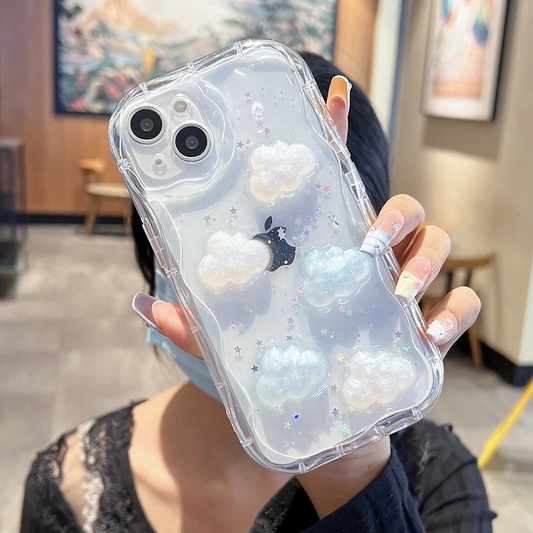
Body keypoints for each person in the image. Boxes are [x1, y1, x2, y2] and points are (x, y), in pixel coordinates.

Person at [21, 53, 495, 533]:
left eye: (314, 239)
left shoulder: (438, 480)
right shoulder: (68, 489)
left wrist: (351, 467)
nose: (274, 274)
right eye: (214, 227)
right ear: (156, 249)